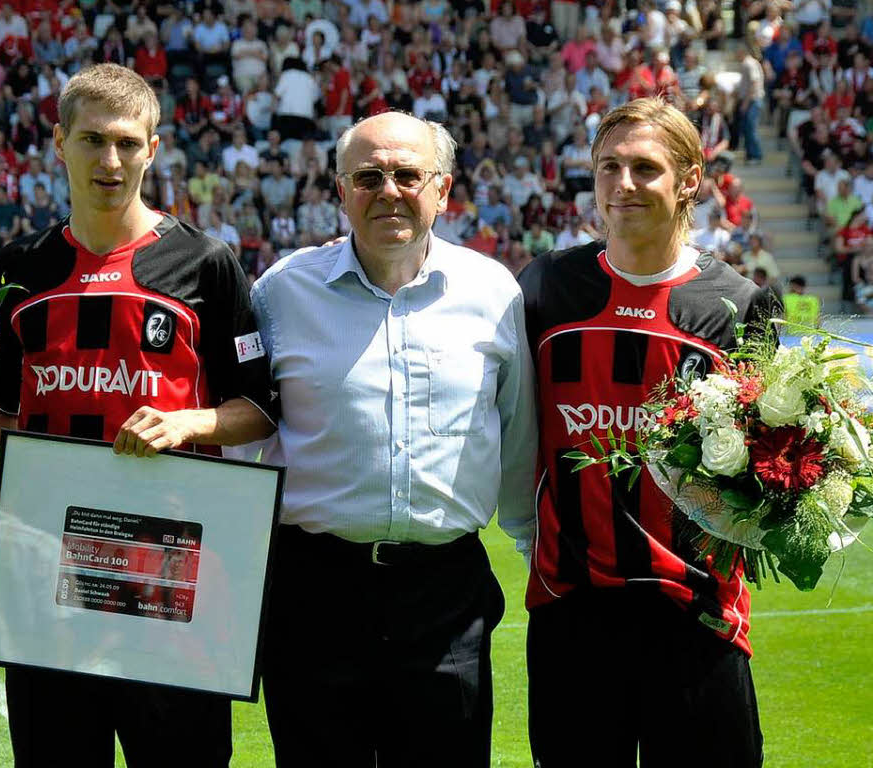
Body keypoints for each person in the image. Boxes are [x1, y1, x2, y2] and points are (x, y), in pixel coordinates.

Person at [0, 63, 277, 768]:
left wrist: (185, 424)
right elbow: (4, 411)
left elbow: (258, 409)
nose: (111, 160)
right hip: (44, 577)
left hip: (170, 578)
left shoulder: (206, 264)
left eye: (129, 142)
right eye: (92, 140)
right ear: (59, 143)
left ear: (153, 149)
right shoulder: (24, 267)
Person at [245, 111, 535, 767]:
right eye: (368, 176)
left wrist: (533, 550)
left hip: (445, 596)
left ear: (442, 187)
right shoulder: (281, 293)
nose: (389, 190)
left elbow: (518, 440)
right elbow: (245, 438)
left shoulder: (494, 294)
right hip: (312, 593)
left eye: (408, 174)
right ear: (340, 189)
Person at [517, 98, 772, 768]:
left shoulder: (741, 305)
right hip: (572, 615)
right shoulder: (547, 286)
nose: (622, 184)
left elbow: (769, 464)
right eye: (608, 167)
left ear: (689, 178)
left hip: (697, 615)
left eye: (644, 167)